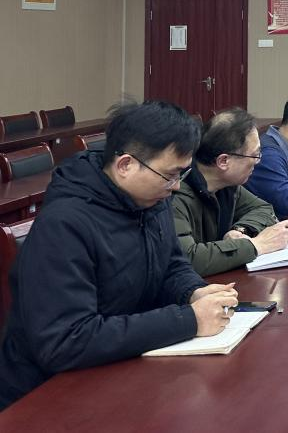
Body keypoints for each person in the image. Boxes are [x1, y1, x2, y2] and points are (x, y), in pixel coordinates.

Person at [0, 100, 238, 410]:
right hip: (45, 396)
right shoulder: (64, 226)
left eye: (182, 173)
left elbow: (171, 265)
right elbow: (66, 341)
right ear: (125, 165)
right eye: (170, 175)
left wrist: (193, 291)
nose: (177, 186)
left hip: (122, 369)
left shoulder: (152, 199)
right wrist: (188, 320)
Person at [172, 108, 288, 276]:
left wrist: (240, 230)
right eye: (255, 155)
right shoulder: (175, 192)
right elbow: (189, 259)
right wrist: (256, 245)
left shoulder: (227, 184)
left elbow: (263, 208)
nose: (258, 161)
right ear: (223, 161)